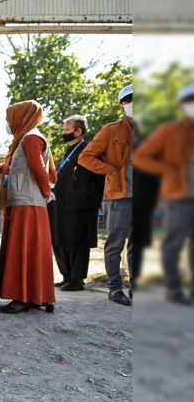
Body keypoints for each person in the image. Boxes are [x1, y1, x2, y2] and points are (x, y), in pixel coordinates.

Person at [134, 84, 194, 305]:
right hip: (179, 197)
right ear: (181, 104)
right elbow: (140, 156)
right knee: (173, 244)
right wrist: (167, 170)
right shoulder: (170, 131)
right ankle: (174, 288)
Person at [78, 85, 135, 306]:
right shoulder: (111, 130)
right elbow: (85, 157)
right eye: (129, 100)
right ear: (122, 105)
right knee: (115, 244)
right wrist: (111, 171)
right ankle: (114, 287)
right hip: (119, 195)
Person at [0, 100, 56, 314]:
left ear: (21, 117)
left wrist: (46, 192)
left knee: (23, 249)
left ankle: (22, 298)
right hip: (25, 201)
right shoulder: (24, 138)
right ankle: (35, 296)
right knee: (31, 250)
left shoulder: (30, 138)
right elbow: (12, 168)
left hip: (28, 203)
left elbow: (39, 169)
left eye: (10, 118)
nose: (8, 122)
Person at [48, 115, 104, 292]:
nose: (63, 133)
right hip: (61, 205)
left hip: (81, 206)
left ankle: (77, 279)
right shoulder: (68, 151)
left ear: (78, 131)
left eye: (66, 130)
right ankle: (67, 276)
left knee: (77, 242)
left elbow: (99, 178)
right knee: (60, 240)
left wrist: (95, 201)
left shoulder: (88, 150)